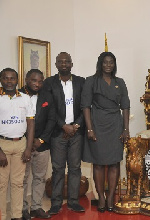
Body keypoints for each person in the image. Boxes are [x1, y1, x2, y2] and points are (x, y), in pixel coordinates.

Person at [81, 51, 130, 212]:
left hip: (115, 125)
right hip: (97, 125)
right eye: (105, 62)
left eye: (111, 62)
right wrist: (89, 129)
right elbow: (86, 106)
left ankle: (111, 198)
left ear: (114, 64)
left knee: (115, 162)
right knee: (99, 163)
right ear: (100, 64)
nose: (108, 65)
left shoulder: (120, 82)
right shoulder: (91, 81)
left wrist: (125, 129)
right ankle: (101, 197)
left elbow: (125, 107)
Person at [43, 52, 86, 215]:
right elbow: (49, 108)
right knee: (58, 168)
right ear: (56, 65)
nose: (64, 64)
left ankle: (74, 202)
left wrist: (75, 125)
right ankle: (56, 203)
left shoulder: (81, 82)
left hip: (76, 132)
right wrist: (63, 126)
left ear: (71, 64)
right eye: (60, 62)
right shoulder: (49, 83)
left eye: (67, 61)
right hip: (57, 133)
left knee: (75, 168)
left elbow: (85, 106)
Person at [20, 69, 56, 220]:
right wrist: (28, 141)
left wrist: (40, 140)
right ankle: (22, 209)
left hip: (42, 144)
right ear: (26, 80)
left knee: (40, 177)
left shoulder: (47, 96)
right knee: (22, 178)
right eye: (34, 80)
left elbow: (52, 120)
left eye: (40, 81)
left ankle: (36, 207)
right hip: (22, 144)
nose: (37, 84)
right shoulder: (17, 96)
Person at [0, 68, 35, 220]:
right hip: (2, 145)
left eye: (12, 78)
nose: (9, 81)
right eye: (6, 78)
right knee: (1, 185)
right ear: (1, 80)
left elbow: (31, 124)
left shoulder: (25, 98)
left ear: (17, 80)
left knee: (18, 184)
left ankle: (16, 216)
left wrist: (28, 147)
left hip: (21, 144)